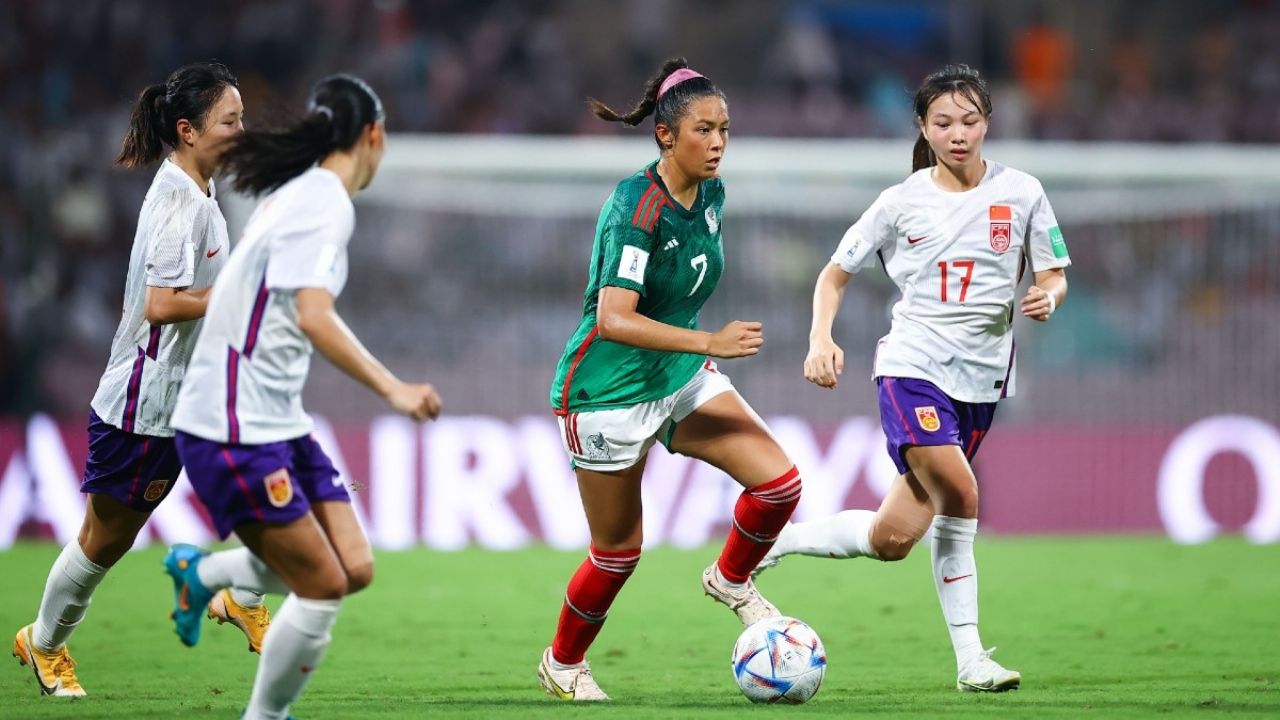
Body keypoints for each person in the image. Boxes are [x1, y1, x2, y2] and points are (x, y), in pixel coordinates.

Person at [756, 64, 1070, 693]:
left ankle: (781, 541)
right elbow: (832, 274)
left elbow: (1053, 272)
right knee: (964, 492)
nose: (959, 134)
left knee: (891, 538)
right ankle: (972, 661)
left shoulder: (1024, 192)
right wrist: (822, 337)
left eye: (971, 120)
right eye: (944, 123)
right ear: (923, 128)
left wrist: (1048, 296)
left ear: (988, 122)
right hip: (912, 369)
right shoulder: (900, 203)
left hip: (981, 385)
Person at [159, 74, 442, 720]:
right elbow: (314, 315)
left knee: (354, 565)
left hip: (276, 421)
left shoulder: (300, 193)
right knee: (322, 586)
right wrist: (393, 388)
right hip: (231, 428)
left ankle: (200, 576)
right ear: (373, 136)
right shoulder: (325, 204)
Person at [537, 58, 803, 702]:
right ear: (665, 135)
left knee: (779, 486)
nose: (718, 144)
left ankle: (732, 580)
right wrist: (710, 341)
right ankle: (562, 663)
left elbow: (679, 290)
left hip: (678, 375)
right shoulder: (637, 207)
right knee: (618, 553)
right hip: (607, 392)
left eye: (725, 130)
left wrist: (697, 352)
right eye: (704, 130)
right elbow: (615, 318)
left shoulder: (711, 193)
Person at [11, 61, 271, 699]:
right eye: (229, 121)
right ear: (187, 130)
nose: (242, 131)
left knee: (273, 472)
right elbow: (161, 304)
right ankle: (43, 643)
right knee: (105, 540)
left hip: (195, 393)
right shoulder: (177, 204)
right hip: (144, 404)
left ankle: (241, 596)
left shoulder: (201, 188)